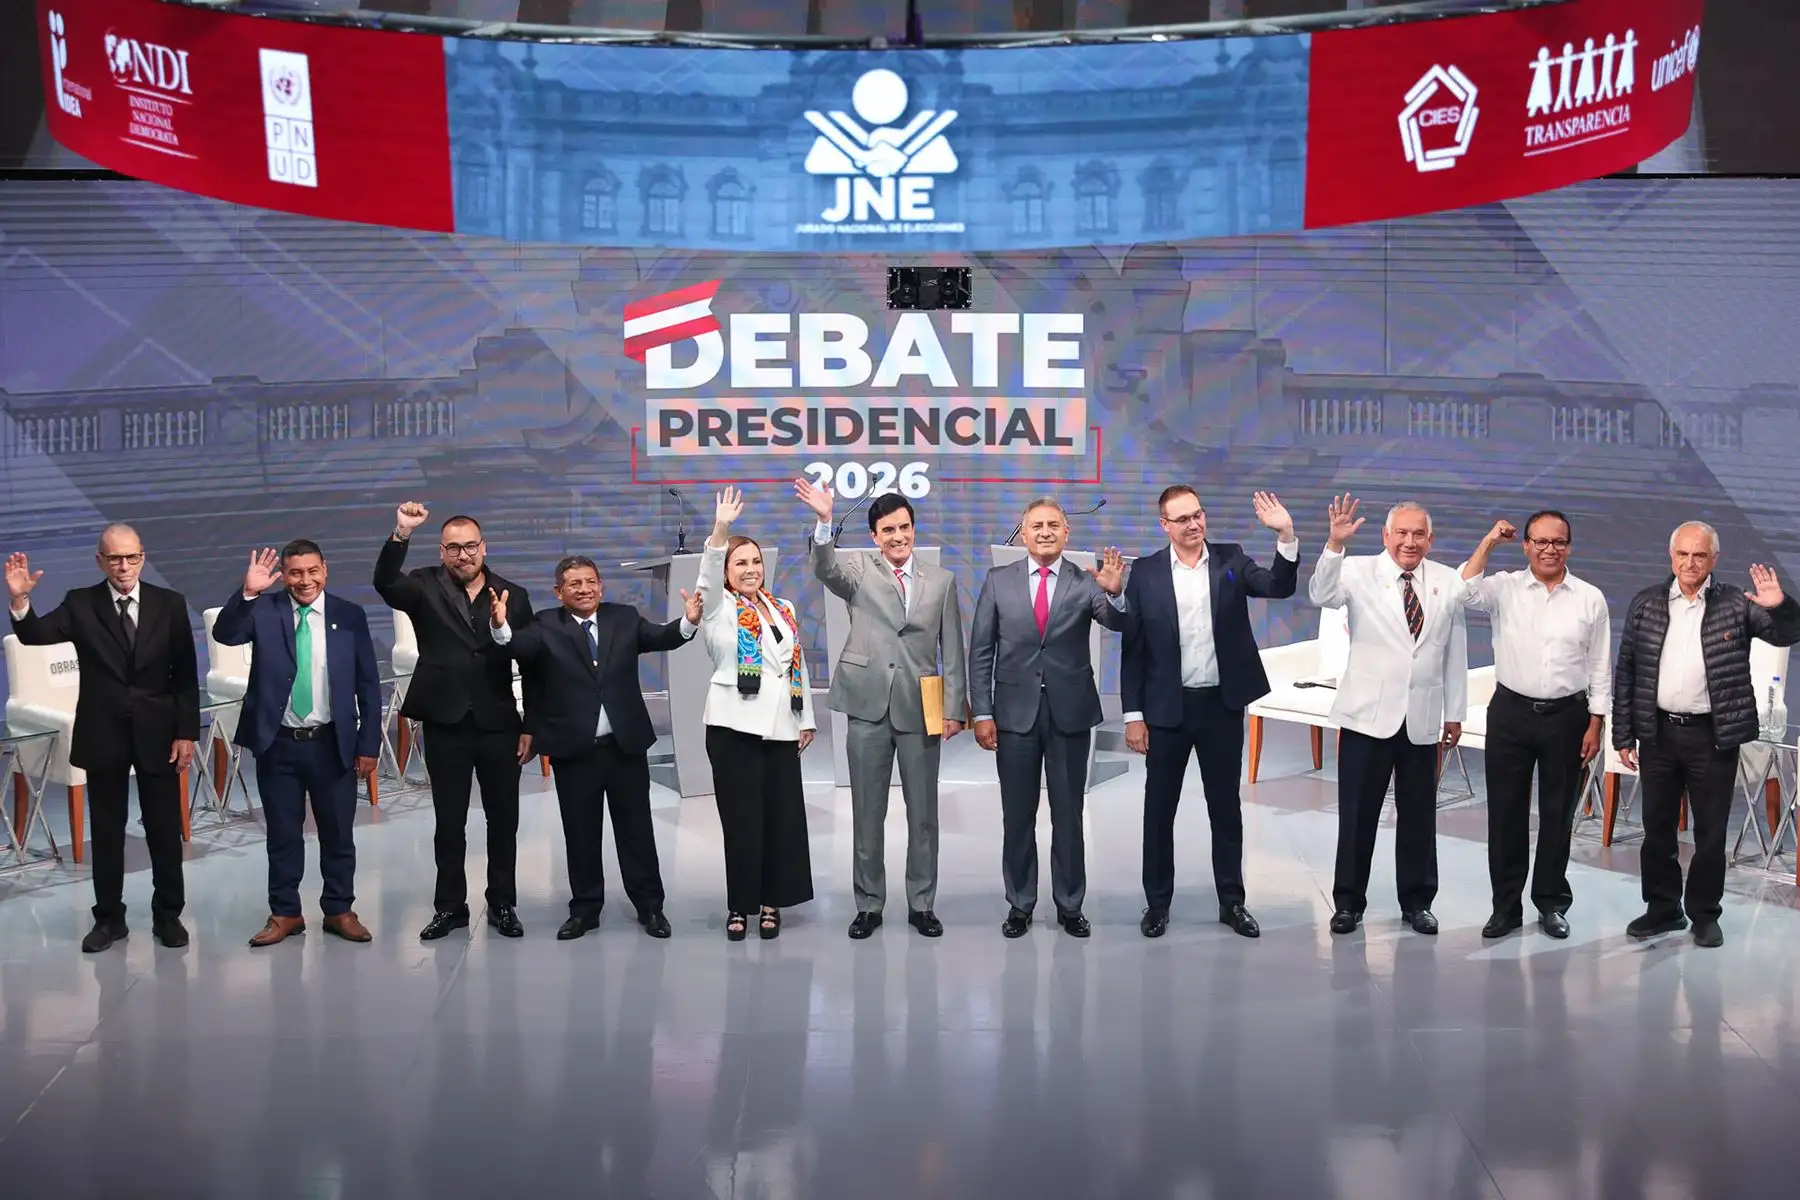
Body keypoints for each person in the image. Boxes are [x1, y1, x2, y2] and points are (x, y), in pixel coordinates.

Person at [5, 526, 198, 952]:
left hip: (159, 735)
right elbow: (35, 635)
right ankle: (110, 920)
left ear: (143, 557)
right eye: (114, 559)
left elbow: (185, 675)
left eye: (130, 557)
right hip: (103, 734)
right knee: (107, 832)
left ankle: (168, 917)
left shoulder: (169, 605)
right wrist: (20, 601)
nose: (123, 566)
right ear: (100, 561)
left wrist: (186, 732)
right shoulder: (81, 603)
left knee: (164, 832)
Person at [489, 556, 701, 940]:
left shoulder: (624, 618)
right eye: (574, 584)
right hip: (575, 751)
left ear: (601, 586)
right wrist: (500, 625)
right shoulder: (546, 625)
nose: (584, 589)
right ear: (559, 592)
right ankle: (585, 909)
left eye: (590, 581)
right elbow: (516, 647)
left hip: (625, 747)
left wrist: (688, 621)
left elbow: (661, 636)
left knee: (636, 831)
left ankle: (651, 907)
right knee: (581, 834)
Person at [1122, 486, 1299, 940]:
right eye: (1182, 519)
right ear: (1165, 525)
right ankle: (1157, 904)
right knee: (1159, 811)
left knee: (1225, 808)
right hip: (1166, 710)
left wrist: (1285, 535)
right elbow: (1134, 649)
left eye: (1198, 514)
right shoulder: (1144, 573)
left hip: (1220, 706)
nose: (1193, 524)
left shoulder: (1230, 559)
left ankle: (1232, 902)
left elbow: (1277, 586)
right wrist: (1132, 715)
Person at [1612, 521, 1800, 948]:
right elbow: (1627, 672)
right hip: (1658, 734)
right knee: (1657, 828)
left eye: (1700, 555)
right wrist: (1623, 734)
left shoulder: (1736, 603)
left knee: (1709, 834)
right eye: (1683, 554)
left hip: (1711, 737)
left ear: (1714, 559)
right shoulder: (1646, 604)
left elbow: (1790, 633)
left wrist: (1780, 605)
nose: (1690, 563)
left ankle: (1704, 914)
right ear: (1671, 556)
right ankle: (1662, 909)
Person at [796, 479, 966, 940]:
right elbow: (823, 567)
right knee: (867, 813)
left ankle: (922, 903)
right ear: (874, 536)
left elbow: (953, 649)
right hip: (867, 704)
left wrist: (955, 708)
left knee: (923, 814)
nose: (898, 537)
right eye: (888, 530)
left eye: (904, 528)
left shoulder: (942, 580)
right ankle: (868, 905)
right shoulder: (858, 570)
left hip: (920, 707)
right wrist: (825, 521)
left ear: (914, 529)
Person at [374, 503, 535, 941]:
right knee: (450, 822)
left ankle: (502, 902)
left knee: (504, 820)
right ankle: (450, 908)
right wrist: (401, 533)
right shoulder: (424, 585)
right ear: (442, 551)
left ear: (483, 547)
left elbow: (533, 662)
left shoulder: (512, 594)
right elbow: (386, 583)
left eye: (470, 547)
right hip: (446, 721)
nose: (462, 555)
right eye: (453, 548)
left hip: (499, 722)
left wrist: (530, 724)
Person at [969, 498, 1128, 938]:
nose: (1044, 532)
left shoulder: (1086, 581)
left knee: (1068, 814)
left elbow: (1118, 622)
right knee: (1017, 816)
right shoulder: (999, 581)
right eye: (1036, 525)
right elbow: (981, 650)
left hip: (1069, 715)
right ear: (1022, 533)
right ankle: (1019, 904)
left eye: (1053, 525)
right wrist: (982, 711)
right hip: (1014, 716)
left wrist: (1115, 592)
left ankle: (1069, 904)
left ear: (1065, 533)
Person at [1309, 497, 1467, 937]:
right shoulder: (1358, 571)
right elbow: (1320, 594)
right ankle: (1348, 903)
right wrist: (1334, 545)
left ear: (1430, 539)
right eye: (1401, 533)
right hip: (1366, 718)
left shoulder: (1446, 581)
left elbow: (1454, 650)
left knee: (1419, 816)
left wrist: (1454, 711)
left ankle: (1418, 902)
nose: (1409, 542)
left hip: (1422, 718)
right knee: (1357, 815)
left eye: (1419, 534)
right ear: (1386, 536)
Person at [213, 542, 383, 947]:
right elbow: (226, 633)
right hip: (280, 744)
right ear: (283, 575)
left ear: (325, 569)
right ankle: (286, 912)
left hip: (332, 744)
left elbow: (368, 686)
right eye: (295, 573)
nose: (304, 581)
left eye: (312, 571)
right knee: (283, 834)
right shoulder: (265, 610)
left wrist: (369, 744)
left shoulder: (349, 615)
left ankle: (339, 909)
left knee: (338, 834)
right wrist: (248, 593)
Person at [1459, 512, 1611, 940]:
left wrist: (1597, 721)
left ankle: (1551, 903)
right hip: (1510, 714)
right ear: (1525, 545)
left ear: (1569, 547)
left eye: (1558, 542)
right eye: (1540, 542)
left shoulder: (1589, 598)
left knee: (1558, 815)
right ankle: (1505, 908)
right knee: (1506, 815)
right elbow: (1463, 590)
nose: (1550, 549)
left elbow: (1600, 665)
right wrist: (1490, 541)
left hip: (1569, 718)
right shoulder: (1503, 587)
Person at [696, 487, 817, 940]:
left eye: (755, 562)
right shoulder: (716, 608)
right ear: (727, 572)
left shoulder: (781, 607)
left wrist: (805, 719)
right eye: (740, 562)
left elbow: (795, 663)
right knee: (742, 821)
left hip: (781, 727)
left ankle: (771, 901)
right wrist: (721, 530)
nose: (750, 569)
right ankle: (739, 905)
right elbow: (707, 572)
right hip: (733, 727)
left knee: (781, 819)